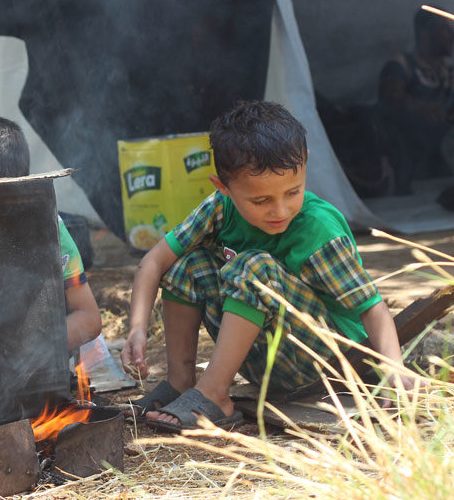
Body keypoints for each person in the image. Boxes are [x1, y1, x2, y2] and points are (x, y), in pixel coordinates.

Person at [120, 100, 408, 431]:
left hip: (331, 365)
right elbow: (154, 261)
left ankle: (214, 394)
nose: (280, 210)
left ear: (305, 165)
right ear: (223, 188)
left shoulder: (318, 230)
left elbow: (372, 308)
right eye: (260, 201)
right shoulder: (219, 208)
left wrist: (395, 369)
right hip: (270, 361)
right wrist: (137, 328)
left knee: (254, 267)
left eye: (292, 192)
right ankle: (182, 383)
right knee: (189, 263)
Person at [0, 113, 103, 357]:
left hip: (32, 358)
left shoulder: (49, 229)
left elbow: (88, 318)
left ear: (21, 189)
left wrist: (25, 353)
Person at [378, 8, 454, 195]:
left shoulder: (448, 69)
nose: (451, 35)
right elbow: (391, 96)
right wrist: (421, 107)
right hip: (415, 159)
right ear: (425, 33)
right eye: (445, 29)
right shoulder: (401, 64)